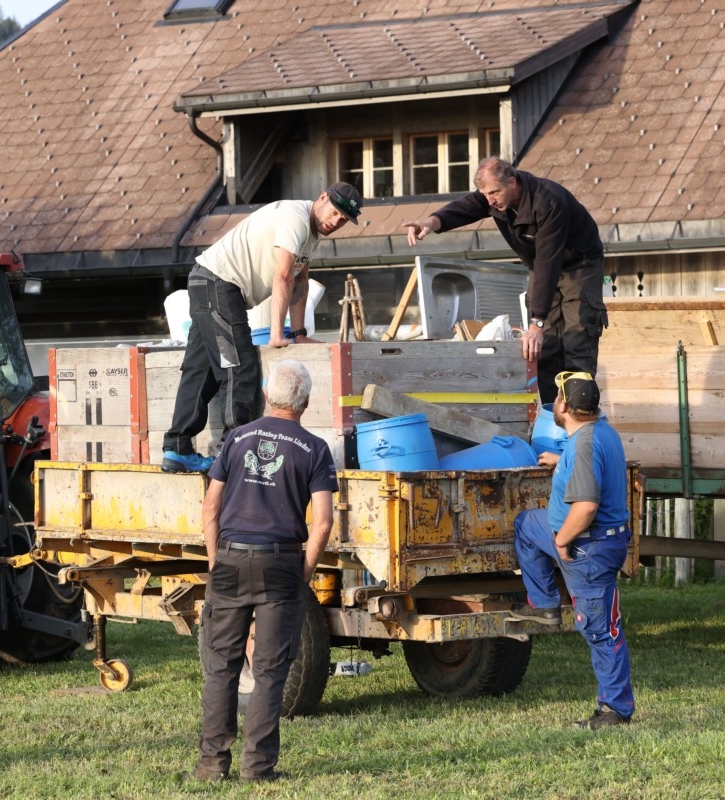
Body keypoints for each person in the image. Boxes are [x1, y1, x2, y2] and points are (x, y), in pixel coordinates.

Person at [194, 359, 338, 782]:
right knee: (271, 672)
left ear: (265, 395)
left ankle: (211, 766)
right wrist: (303, 573)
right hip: (281, 562)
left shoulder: (237, 438)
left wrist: (216, 562)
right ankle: (257, 768)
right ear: (305, 402)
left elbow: (210, 507)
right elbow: (323, 523)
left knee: (221, 667)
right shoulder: (315, 449)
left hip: (230, 557)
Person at [162, 182, 363, 474]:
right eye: (334, 213)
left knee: (201, 370)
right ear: (322, 198)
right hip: (218, 283)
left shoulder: (312, 230)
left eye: (342, 220)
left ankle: (177, 449)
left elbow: (300, 280)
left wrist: (299, 335)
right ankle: (232, 455)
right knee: (240, 369)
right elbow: (283, 277)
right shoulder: (296, 219)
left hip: (208, 282)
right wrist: (277, 334)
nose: (335, 222)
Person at [401, 157, 606, 404]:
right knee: (543, 348)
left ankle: (580, 413)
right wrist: (430, 223)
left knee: (577, 337)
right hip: (541, 266)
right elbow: (462, 209)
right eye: (485, 195)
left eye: (494, 193)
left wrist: (536, 323)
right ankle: (553, 414)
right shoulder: (494, 197)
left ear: (512, 182)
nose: (489, 201)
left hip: (579, 265)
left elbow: (548, 261)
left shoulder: (549, 200)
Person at [507, 371, 634, 729]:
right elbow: (586, 455)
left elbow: (586, 507)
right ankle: (544, 603)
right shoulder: (602, 432)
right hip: (602, 540)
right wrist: (560, 460)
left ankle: (614, 710)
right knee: (526, 524)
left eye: (558, 398)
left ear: (563, 407)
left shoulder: (583, 447)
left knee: (600, 630)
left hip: (588, 546)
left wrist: (562, 540)